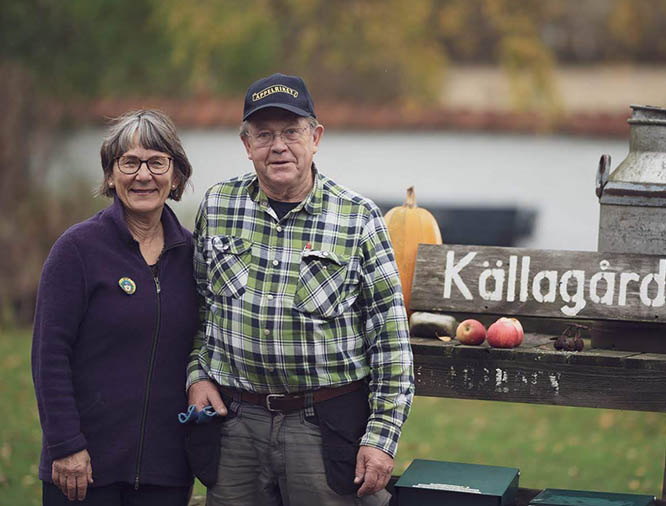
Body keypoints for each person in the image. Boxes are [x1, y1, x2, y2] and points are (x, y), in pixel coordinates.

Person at [188, 73, 414, 506]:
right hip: (235, 425)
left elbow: (391, 340)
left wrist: (382, 438)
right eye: (264, 134)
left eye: (292, 132)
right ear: (246, 144)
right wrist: (197, 375)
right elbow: (197, 309)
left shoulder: (358, 218)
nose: (278, 146)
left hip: (323, 424)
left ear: (316, 138)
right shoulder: (217, 207)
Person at [32, 110, 198, 505]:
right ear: (110, 175)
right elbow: (49, 355)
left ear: (175, 176)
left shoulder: (193, 255)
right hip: (83, 471)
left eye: (158, 162)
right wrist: (66, 444)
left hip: (167, 472)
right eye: (130, 162)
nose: (144, 175)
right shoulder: (77, 250)